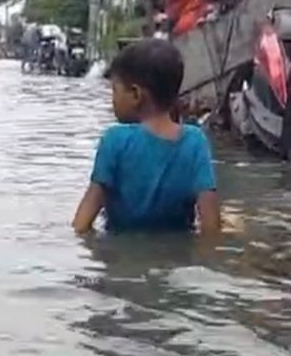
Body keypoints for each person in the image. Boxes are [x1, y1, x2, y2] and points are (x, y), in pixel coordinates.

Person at [72, 39, 221, 235]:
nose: (112, 100)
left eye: (114, 90)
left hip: (120, 259)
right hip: (176, 260)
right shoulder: (195, 142)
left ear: (135, 94)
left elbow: (82, 224)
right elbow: (211, 227)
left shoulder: (115, 140)